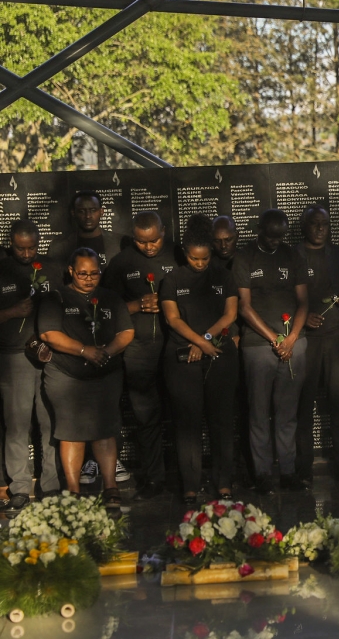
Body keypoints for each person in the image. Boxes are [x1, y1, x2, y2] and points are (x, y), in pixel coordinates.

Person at [37, 248, 134, 509]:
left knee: (105, 430)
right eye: (82, 274)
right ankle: (74, 491)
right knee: (72, 433)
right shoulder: (55, 298)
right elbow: (48, 334)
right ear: (71, 271)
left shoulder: (110, 297)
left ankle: (111, 487)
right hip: (67, 376)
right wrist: (84, 350)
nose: (89, 278)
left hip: (105, 375)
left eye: (94, 273)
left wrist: (107, 352)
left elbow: (126, 331)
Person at [159, 215, 239, 505]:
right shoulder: (172, 279)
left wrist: (205, 340)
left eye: (205, 259)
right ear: (185, 253)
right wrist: (197, 342)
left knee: (221, 421)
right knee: (187, 424)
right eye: (195, 259)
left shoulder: (223, 275)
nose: (201, 264)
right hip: (182, 359)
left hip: (219, 354)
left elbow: (230, 315)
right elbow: (172, 318)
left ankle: (223, 482)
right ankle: (190, 485)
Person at [102, 210, 178, 501]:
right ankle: (154, 478)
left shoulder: (180, 255)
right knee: (146, 417)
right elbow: (104, 307)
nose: (149, 247)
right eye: (141, 242)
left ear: (164, 231)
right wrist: (135, 306)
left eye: (154, 240)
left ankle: (186, 477)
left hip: (176, 347)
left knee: (183, 413)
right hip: (138, 352)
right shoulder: (121, 264)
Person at [232, 209, 309, 494]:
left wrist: (293, 338)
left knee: (287, 412)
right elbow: (244, 306)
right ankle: (263, 474)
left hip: (293, 344)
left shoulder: (293, 256)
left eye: (281, 237)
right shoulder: (245, 257)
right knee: (258, 411)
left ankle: (288, 472)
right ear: (259, 229)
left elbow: (303, 301)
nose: (276, 242)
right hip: (258, 344)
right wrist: (275, 339)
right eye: (271, 236)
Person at [0, 221, 61, 510]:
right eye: (19, 248)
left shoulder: (52, 269)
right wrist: (13, 311)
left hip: (51, 356)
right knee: (17, 424)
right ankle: (20, 487)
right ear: (10, 244)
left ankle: (51, 484)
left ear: (40, 242)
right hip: (13, 357)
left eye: (32, 248)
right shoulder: (2, 269)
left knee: (50, 422)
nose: (26, 254)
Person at [295, 206, 339, 490]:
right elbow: (280, 296)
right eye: (314, 224)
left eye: (325, 224)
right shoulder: (292, 255)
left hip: (337, 339)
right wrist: (302, 317)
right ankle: (303, 468)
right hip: (305, 342)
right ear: (304, 226)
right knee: (303, 407)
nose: (320, 229)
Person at [46, 191, 125, 269]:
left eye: (93, 210)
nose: (88, 216)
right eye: (82, 211)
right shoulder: (58, 248)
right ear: (73, 213)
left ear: (101, 211)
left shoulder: (121, 243)